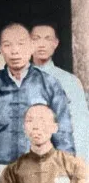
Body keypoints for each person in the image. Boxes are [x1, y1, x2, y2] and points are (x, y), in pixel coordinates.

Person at [0, 24, 74, 183]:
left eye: (21, 44)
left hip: (41, 165)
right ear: (0, 49)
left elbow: (63, 132)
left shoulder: (49, 84)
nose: (15, 51)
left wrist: (66, 175)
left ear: (31, 47)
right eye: (7, 45)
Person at [0, 104, 87, 183]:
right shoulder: (12, 170)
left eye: (42, 120)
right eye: (30, 121)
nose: (36, 126)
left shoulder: (74, 165)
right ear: (24, 128)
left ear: (55, 127)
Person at [31, 23, 89, 161]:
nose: (42, 44)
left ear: (55, 43)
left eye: (47, 39)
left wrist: (81, 162)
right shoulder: (19, 78)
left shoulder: (70, 81)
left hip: (60, 156)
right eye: (36, 38)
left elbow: (80, 124)